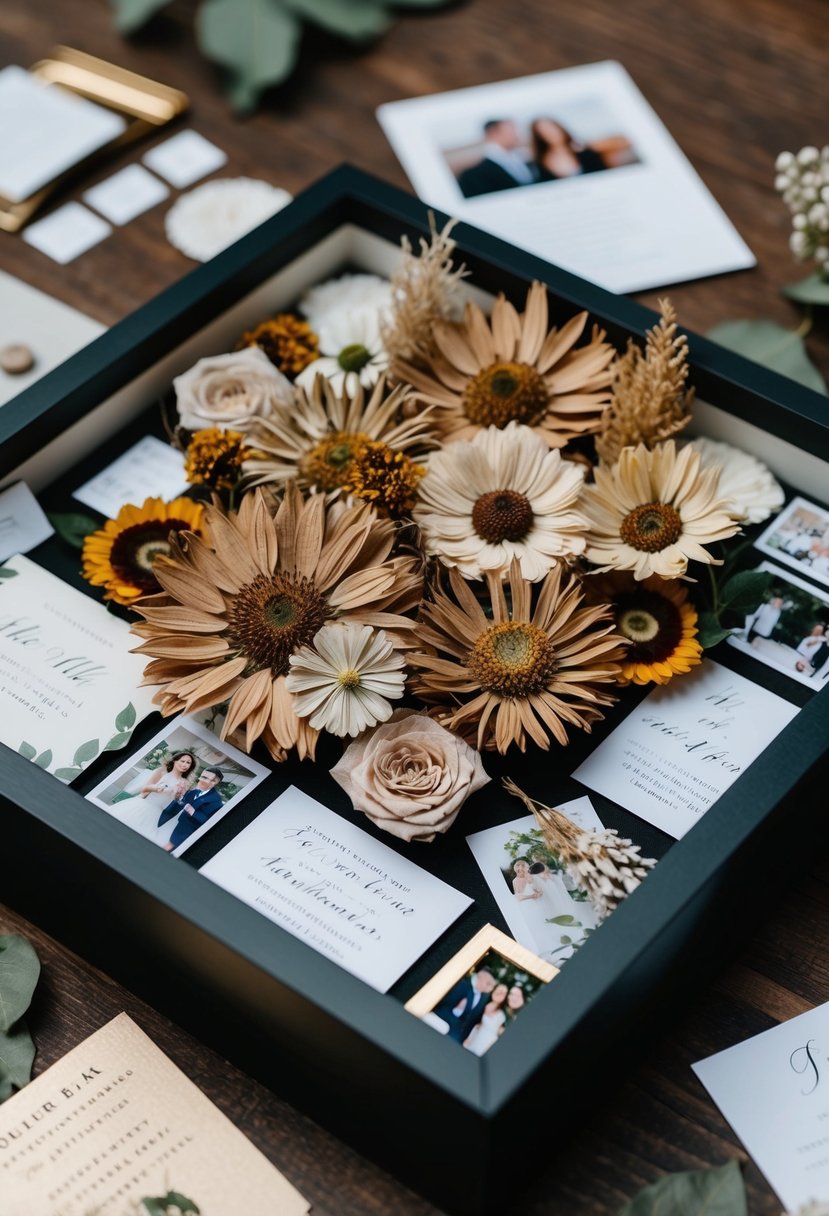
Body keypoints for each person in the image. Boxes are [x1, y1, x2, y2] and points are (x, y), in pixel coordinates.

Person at [110, 751, 196, 845]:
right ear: (175, 760)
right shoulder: (162, 771)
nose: (185, 764)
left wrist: (178, 795)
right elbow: (144, 788)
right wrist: (157, 788)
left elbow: (175, 799)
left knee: (132, 840)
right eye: (182, 761)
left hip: (156, 812)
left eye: (188, 763)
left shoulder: (185, 783)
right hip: (142, 804)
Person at [457, 119, 536, 198]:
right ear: (493, 133)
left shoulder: (526, 159)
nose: (517, 136)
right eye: (511, 132)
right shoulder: (472, 176)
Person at [158, 766, 225, 851]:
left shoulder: (216, 800)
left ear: (215, 782)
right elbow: (183, 803)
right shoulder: (195, 791)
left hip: (187, 830)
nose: (201, 779)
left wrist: (193, 812)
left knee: (167, 848)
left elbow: (209, 821)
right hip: (176, 821)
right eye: (202, 776)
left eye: (206, 778)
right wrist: (179, 798)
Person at [432, 967, 496, 1044]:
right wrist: (457, 1011)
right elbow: (443, 1005)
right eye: (488, 984)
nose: (490, 988)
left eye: (492, 986)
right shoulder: (462, 985)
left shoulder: (484, 998)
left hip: (458, 1038)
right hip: (440, 1025)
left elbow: (472, 1021)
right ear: (480, 977)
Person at [530, 117, 606, 181]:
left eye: (551, 128)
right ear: (539, 136)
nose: (550, 133)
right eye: (544, 131)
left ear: (560, 128)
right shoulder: (539, 163)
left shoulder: (584, 152)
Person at [463, 983, 508, 1056]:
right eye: (499, 990)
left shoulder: (503, 1016)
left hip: (486, 1045)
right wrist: (469, 1039)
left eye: (503, 993)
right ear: (494, 990)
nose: (499, 993)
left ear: (505, 998)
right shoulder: (484, 1003)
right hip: (475, 1040)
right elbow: (478, 1025)